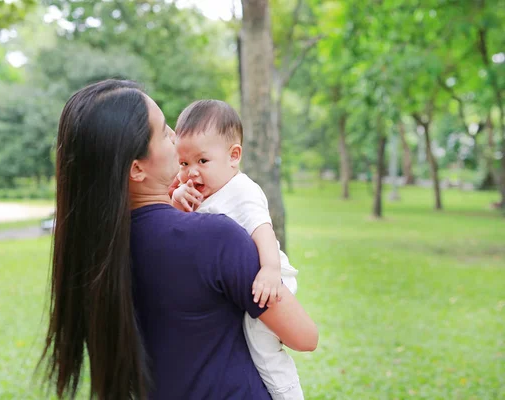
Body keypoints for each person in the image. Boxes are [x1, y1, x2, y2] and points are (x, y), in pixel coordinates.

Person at [40, 79, 318, 400]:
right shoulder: (216, 238)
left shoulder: (92, 252)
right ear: (136, 169)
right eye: (163, 132)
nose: (176, 137)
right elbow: (304, 336)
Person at [171, 100, 304, 399]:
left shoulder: (242, 192)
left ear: (233, 156)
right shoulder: (203, 190)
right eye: (183, 163)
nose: (191, 172)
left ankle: (288, 395)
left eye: (202, 161)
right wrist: (178, 198)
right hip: (241, 283)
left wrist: (270, 271)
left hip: (267, 280)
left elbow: (263, 231)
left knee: (262, 347)